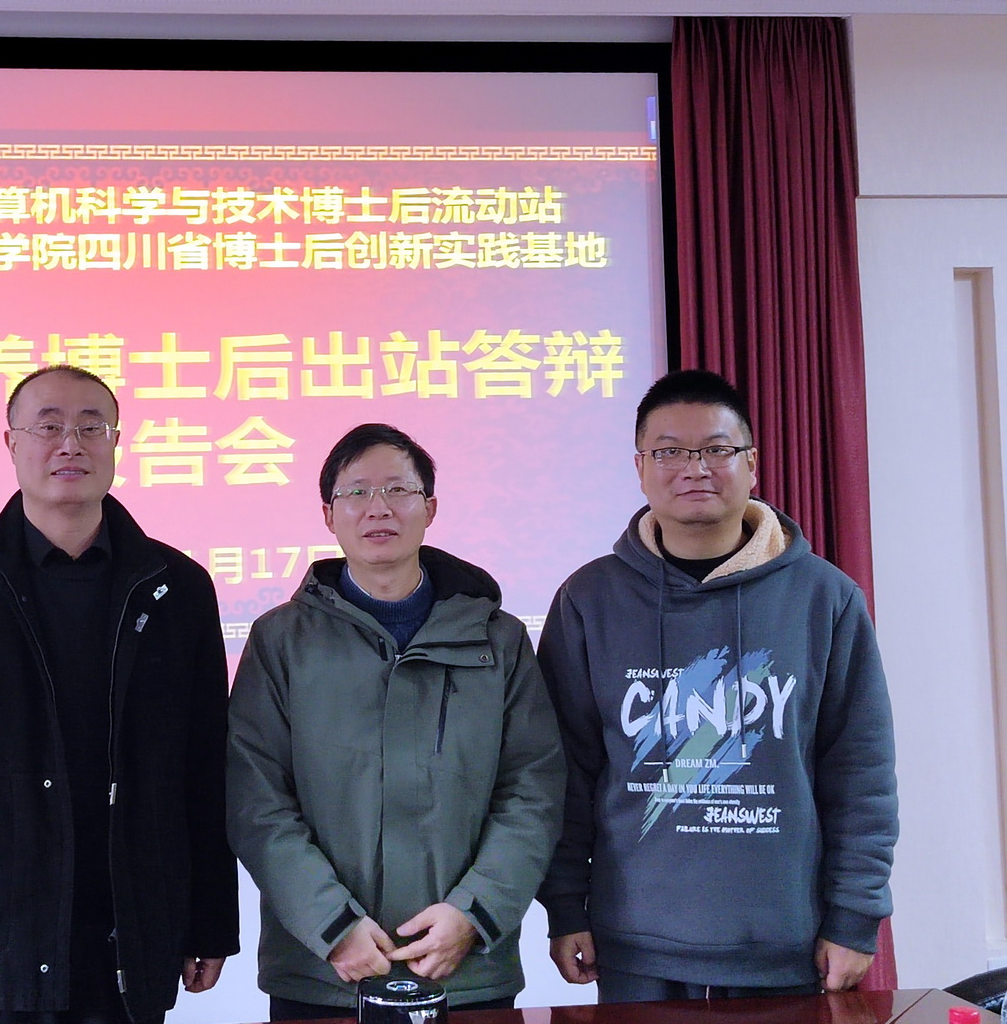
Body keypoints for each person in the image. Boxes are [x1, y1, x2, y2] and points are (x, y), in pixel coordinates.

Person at [0, 364, 239, 1024]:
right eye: (48, 426)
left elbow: (205, 767)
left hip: (133, 925)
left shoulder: (176, 586)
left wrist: (211, 920)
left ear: (116, 443)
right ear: (11, 443)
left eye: (91, 427)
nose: (70, 444)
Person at [536, 369, 898, 1003]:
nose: (694, 468)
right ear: (640, 468)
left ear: (751, 463)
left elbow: (860, 772)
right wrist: (565, 904)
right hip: (636, 945)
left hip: (784, 944)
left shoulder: (824, 598)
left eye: (716, 449)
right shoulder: (589, 599)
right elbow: (563, 770)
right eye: (669, 452)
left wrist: (854, 916)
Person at [227, 423, 565, 1019]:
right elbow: (257, 799)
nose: (378, 508)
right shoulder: (281, 641)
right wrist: (332, 926)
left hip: (466, 969)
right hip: (323, 973)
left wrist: (474, 914)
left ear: (429, 508)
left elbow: (532, 789)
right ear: (328, 515)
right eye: (356, 492)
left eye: (398, 490)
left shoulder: (498, 640)